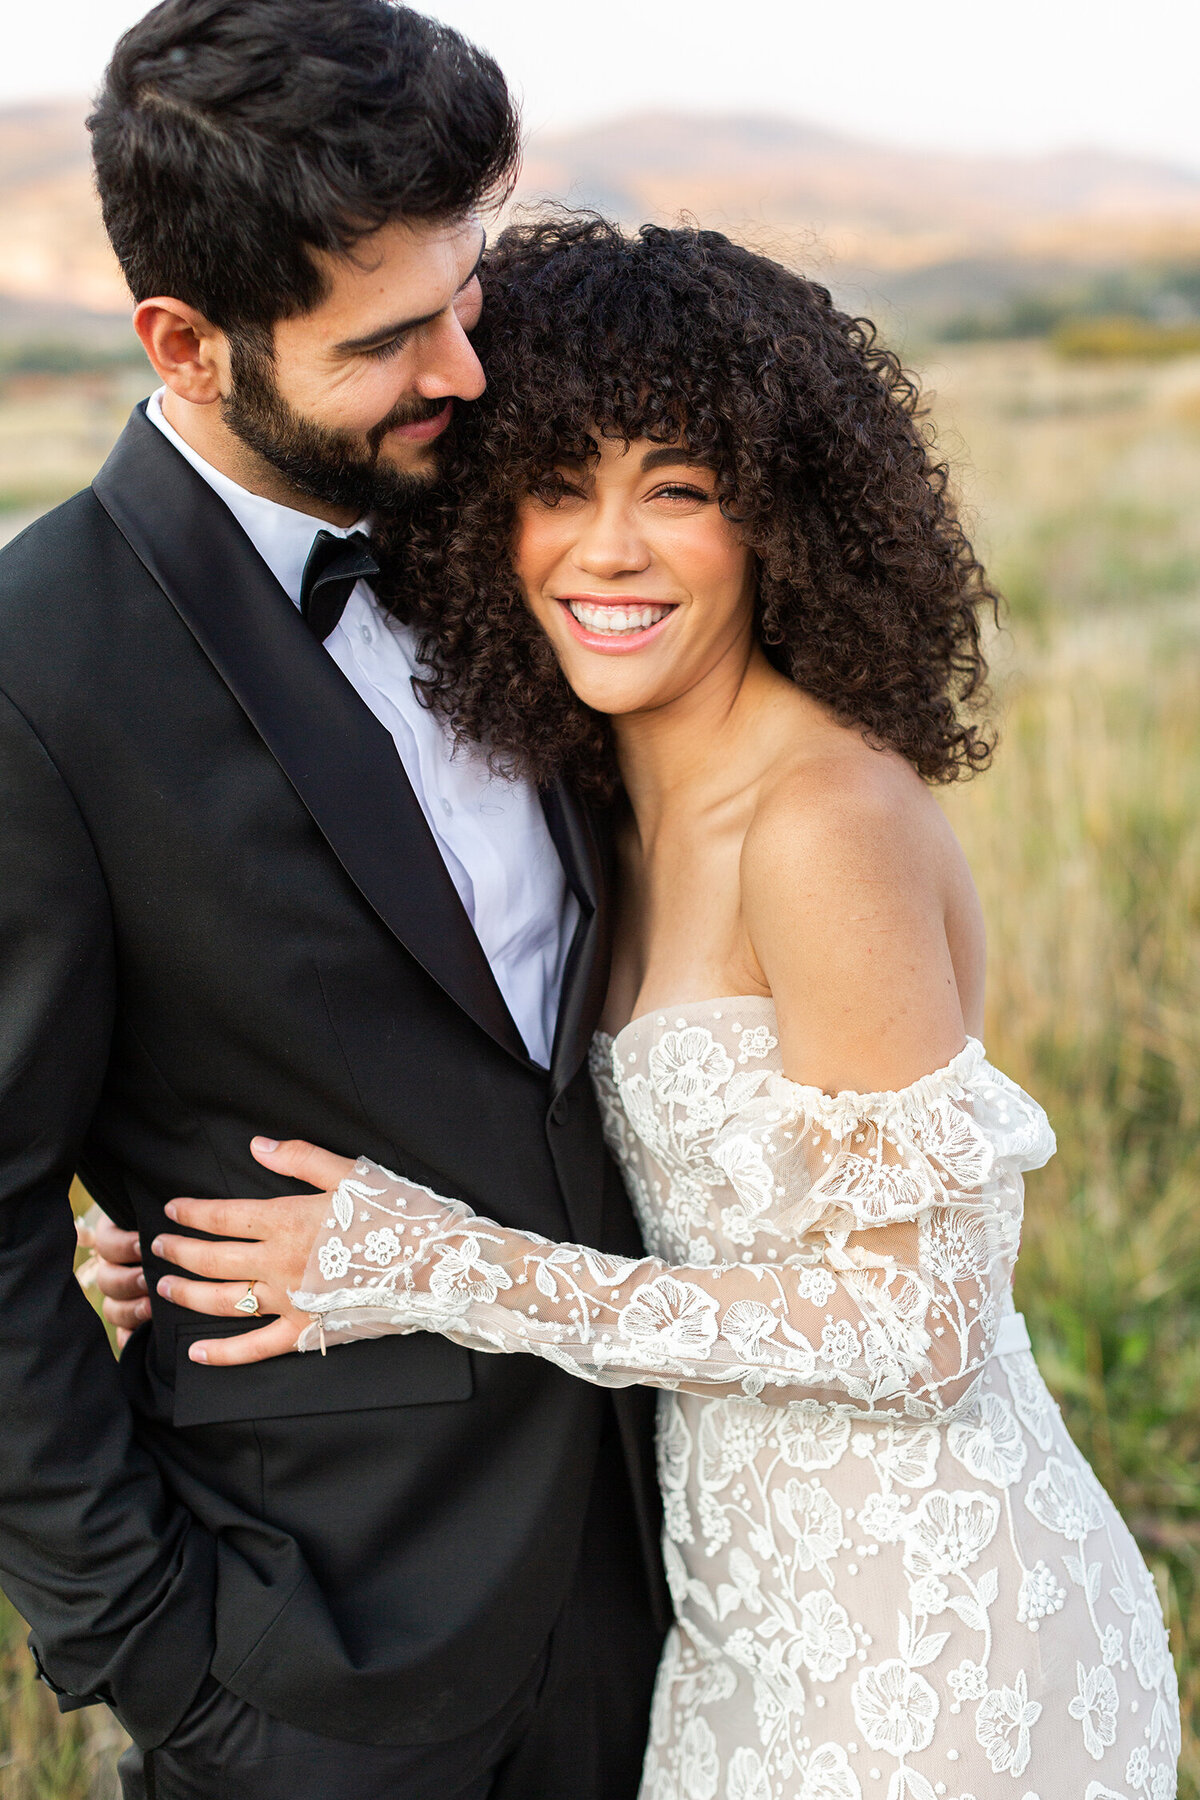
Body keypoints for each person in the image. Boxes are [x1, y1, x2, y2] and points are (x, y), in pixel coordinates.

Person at [147, 217, 1182, 1799]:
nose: (605, 550)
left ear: (784, 519)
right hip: (730, 1622)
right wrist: (233, 1226)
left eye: (678, 490)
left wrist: (450, 1270)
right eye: (557, 487)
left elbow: (924, 1327)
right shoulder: (592, 812)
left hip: (931, 1639)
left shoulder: (822, 821)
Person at [0, 10, 665, 1799]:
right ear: (187, 346)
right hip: (323, 1661)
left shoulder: (524, 520)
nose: (465, 364)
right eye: (388, 338)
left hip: (686, 1578)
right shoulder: (34, 671)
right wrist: (158, 1653)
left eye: (469, 295)